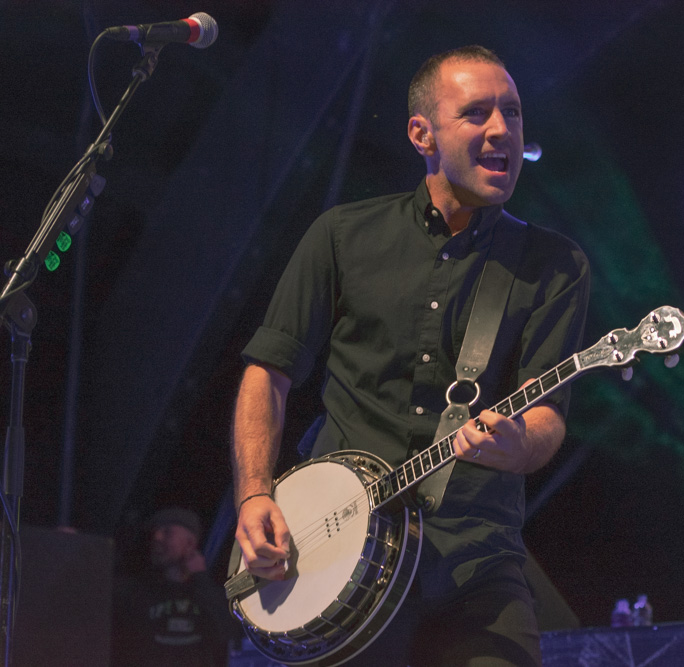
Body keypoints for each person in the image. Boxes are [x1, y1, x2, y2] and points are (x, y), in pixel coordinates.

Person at [230, 45, 589, 665]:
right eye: (477, 113)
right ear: (422, 134)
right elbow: (270, 371)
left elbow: (548, 414)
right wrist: (255, 495)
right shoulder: (342, 235)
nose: (502, 130)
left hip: (476, 565)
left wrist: (518, 445)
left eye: (513, 113)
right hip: (338, 561)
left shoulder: (555, 265)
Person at [112, 507, 240, 666]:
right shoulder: (136, 592)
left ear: (190, 543)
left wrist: (200, 579)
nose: (157, 537)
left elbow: (228, 634)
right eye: (156, 532)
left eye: (167, 532)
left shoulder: (210, 593)